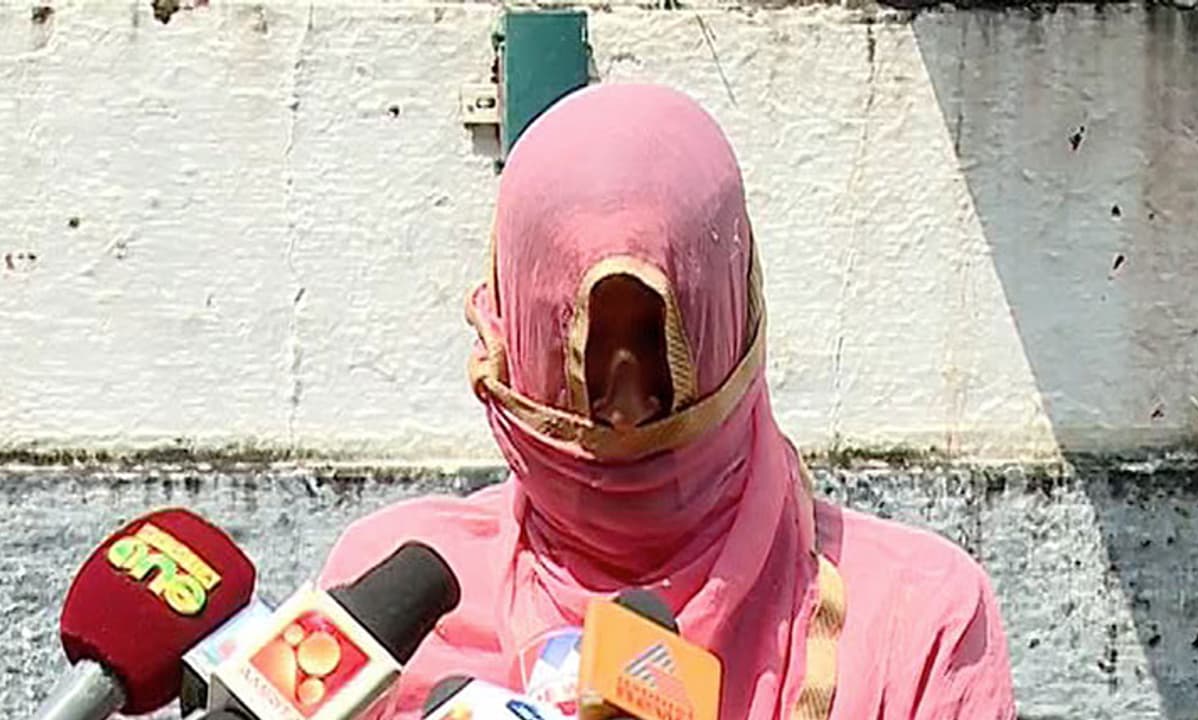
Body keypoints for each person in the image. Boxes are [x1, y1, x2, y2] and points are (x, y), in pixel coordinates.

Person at [320, 84, 1017, 719]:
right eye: (579, 354)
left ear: (735, 320)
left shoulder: (914, 620)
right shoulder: (376, 622)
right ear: (508, 342)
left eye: (664, 342)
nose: (625, 409)